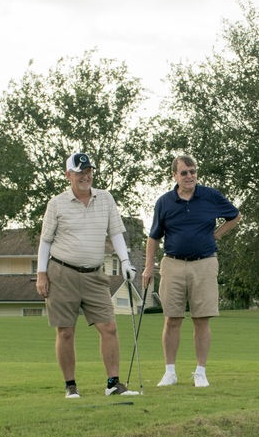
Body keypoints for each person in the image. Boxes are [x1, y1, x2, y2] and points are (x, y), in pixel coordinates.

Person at [35, 150, 136, 399]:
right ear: (69, 175)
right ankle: (71, 386)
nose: (85, 176)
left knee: (109, 327)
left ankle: (113, 383)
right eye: (80, 172)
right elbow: (45, 242)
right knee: (66, 331)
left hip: (94, 274)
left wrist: (124, 261)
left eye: (88, 171)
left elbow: (115, 233)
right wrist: (41, 274)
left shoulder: (105, 199)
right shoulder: (56, 203)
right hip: (62, 273)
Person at [142, 154, 241, 388]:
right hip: (173, 263)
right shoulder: (164, 202)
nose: (190, 176)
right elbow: (154, 236)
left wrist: (217, 233)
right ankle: (169, 372)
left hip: (204, 263)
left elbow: (235, 215)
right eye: (184, 172)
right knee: (172, 319)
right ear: (174, 175)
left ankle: (200, 372)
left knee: (201, 319)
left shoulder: (210, 196)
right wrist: (148, 266)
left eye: (193, 171)